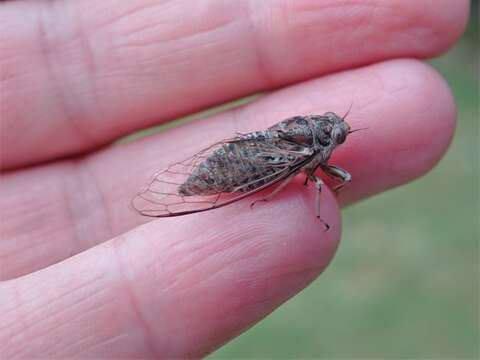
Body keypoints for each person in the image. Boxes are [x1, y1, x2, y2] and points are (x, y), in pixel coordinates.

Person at [0, 1, 469, 358]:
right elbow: (318, 178)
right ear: (324, 140)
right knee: (292, 186)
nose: (337, 137)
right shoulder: (311, 153)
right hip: (245, 167)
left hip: (255, 151)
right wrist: (304, 183)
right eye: (335, 133)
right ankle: (207, 185)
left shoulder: (312, 146)